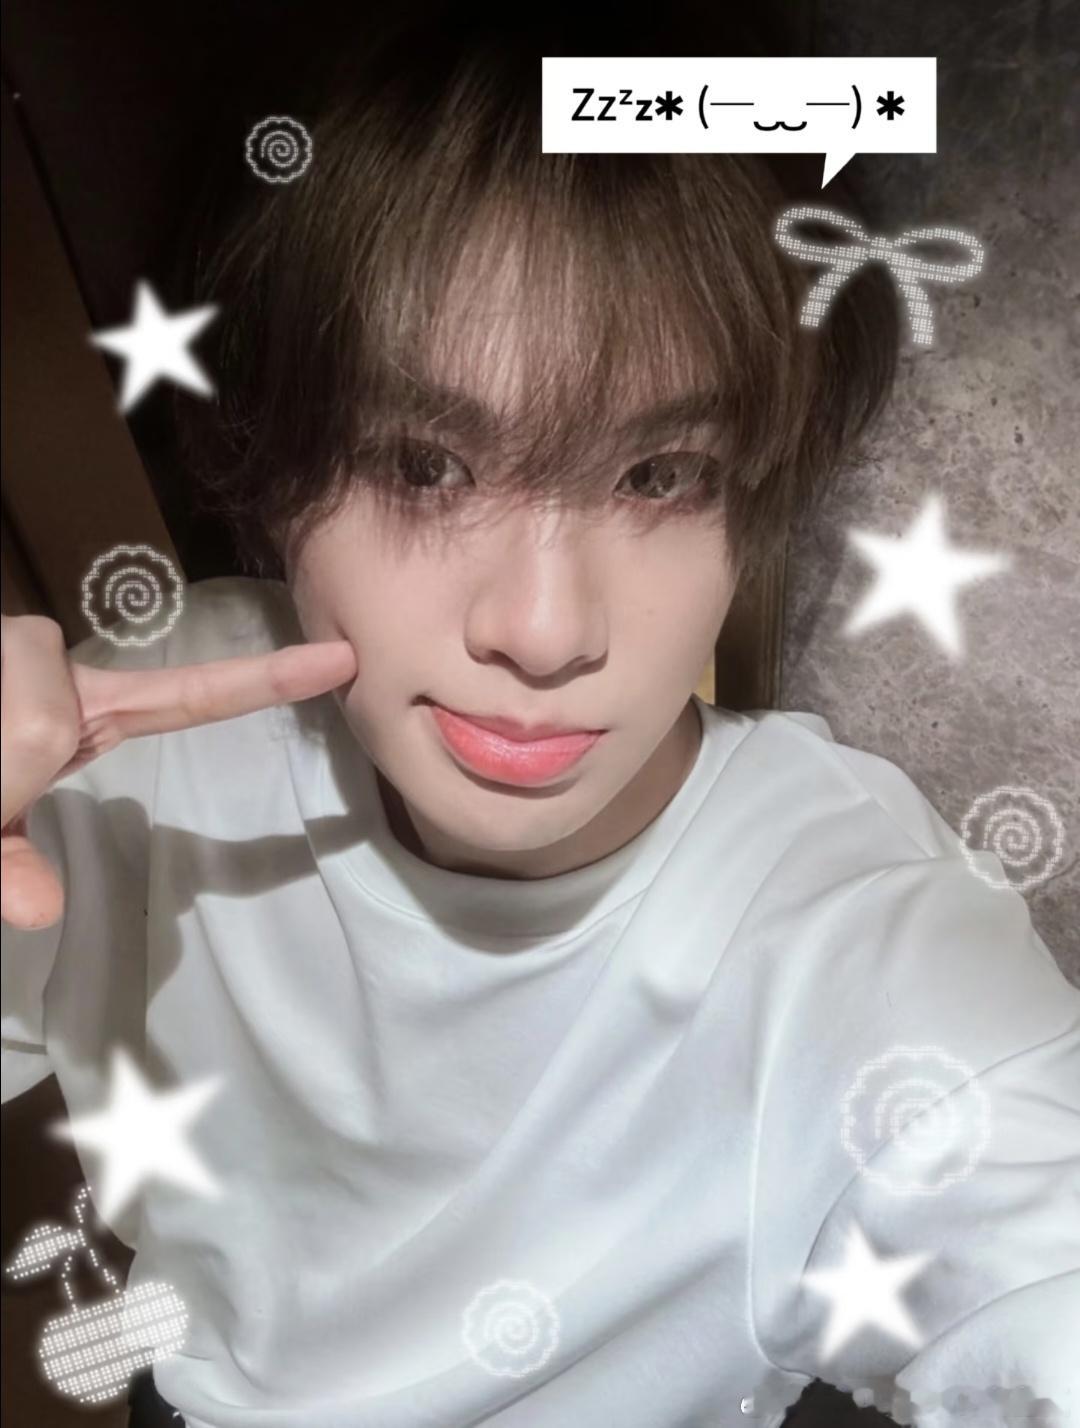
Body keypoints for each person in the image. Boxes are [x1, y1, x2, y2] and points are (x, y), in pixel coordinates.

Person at [3, 7, 1077, 1428]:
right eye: (424, 463)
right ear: (277, 464)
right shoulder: (148, 733)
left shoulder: (864, 946)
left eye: (658, 474)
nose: (547, 629)